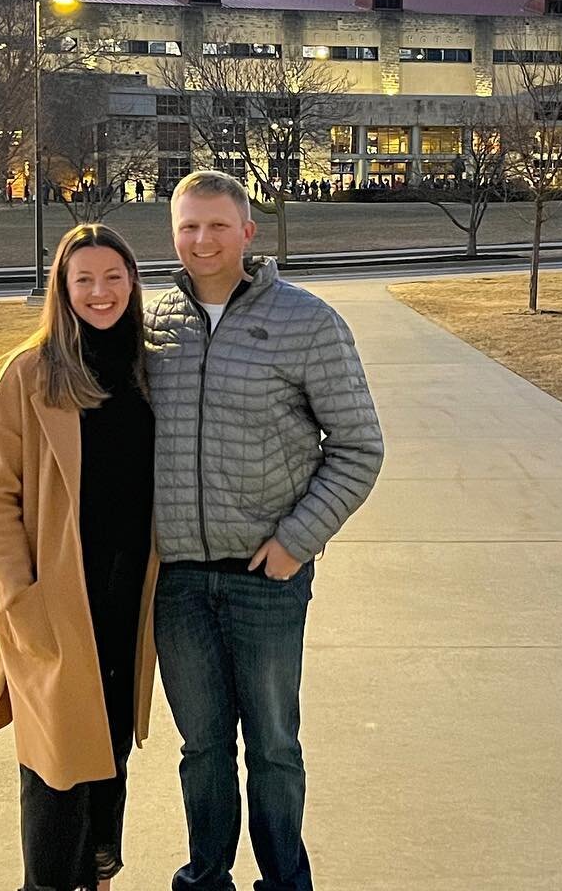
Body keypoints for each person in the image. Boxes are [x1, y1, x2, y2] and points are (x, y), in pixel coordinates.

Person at [145, 171, 385, 891]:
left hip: (267, 578)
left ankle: (286, 881)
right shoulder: (154, 325)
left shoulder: (307, 322)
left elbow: (358, 447)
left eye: (218, 225)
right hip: (179, 581)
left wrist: (295, 543)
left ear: (248, 233)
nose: (201, 240)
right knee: (203, 748)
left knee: (275, 746)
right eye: (188, 226)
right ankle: (206, 878)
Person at [0, 223, 159, 891]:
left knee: (107, 754)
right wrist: (21, 594)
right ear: (63, 286)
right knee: (54, 772)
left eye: (113, 277)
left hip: (128, 595)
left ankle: (100, 878)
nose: (100, 292)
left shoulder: (148, 367)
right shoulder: (29, 374)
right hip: (56, 600)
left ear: (132, 283)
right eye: (84, 279)